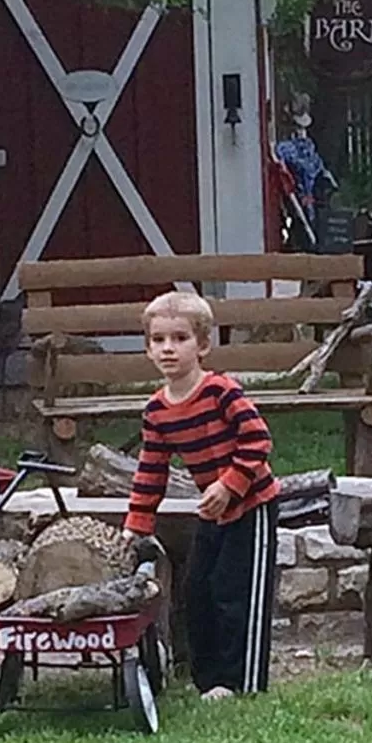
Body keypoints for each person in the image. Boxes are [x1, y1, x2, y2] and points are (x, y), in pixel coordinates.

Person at [122, 291, 281, 699]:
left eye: (180, 338)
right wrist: (137, 523)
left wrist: (229, 484)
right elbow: (151, 469)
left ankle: (242, 683)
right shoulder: (157, 410)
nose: (168, 348)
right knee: (197, 592)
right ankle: (208, 682)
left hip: (252, 505)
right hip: (213, 511)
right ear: (148, 348)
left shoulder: (221, 392)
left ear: (203, 345)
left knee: (235, 594)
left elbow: (258, 440)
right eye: (158, 340)